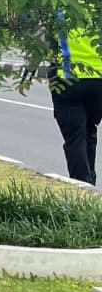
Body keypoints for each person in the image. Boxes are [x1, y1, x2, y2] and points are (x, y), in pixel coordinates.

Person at [50, 23, 102, 185]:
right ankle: (90, 180)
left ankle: (81, 185)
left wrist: (28, 74)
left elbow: (42, 43)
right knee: (89, 130)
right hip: (98, 80)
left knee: (75, 137)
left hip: (68, 78)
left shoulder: (59, 10)